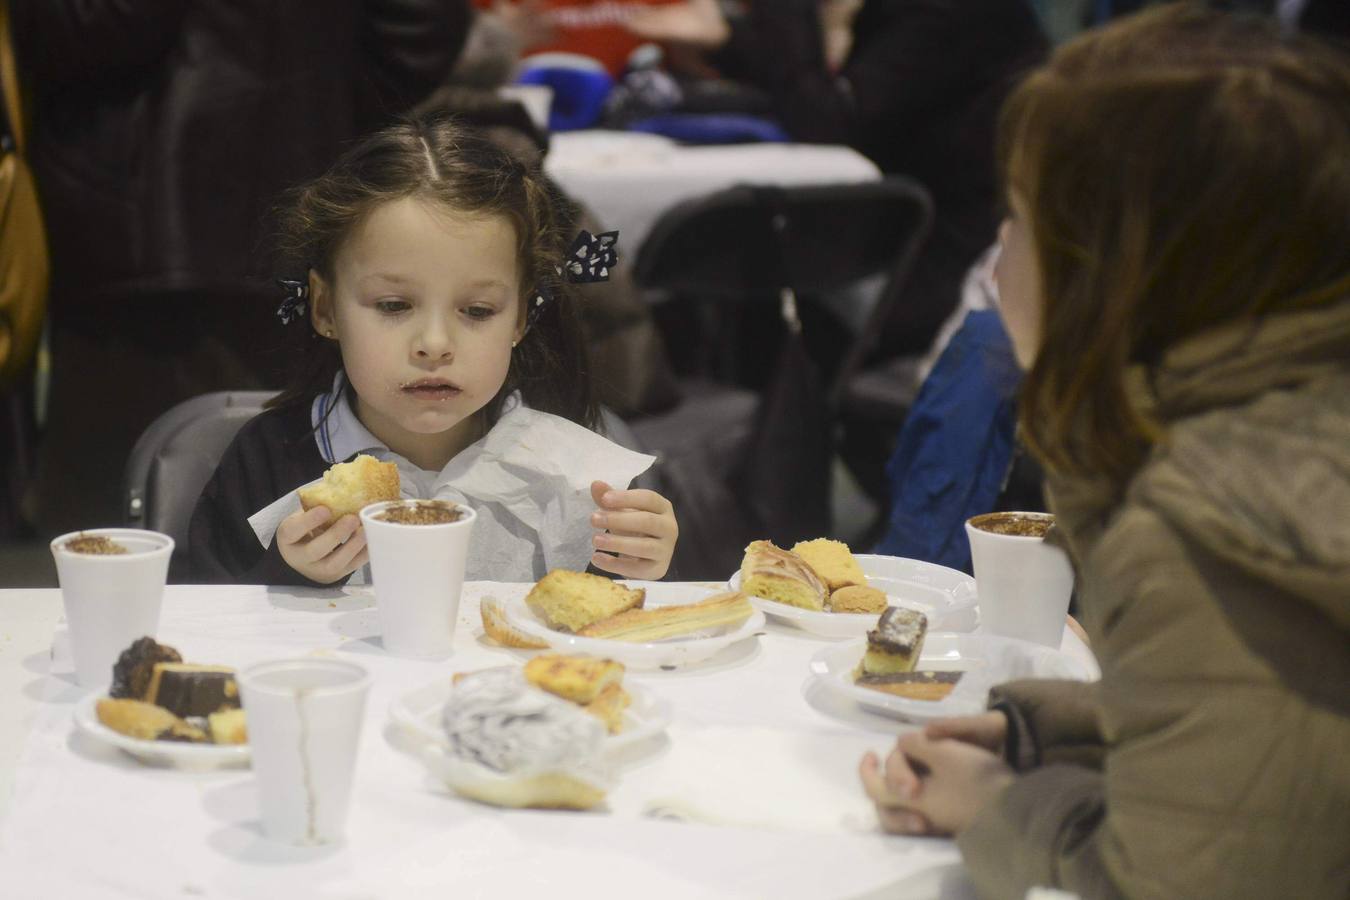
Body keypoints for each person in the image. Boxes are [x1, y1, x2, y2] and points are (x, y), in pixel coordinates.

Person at [857, 6, 1350, 898]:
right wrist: (1054, 731)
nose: (998, 253)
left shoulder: (1203, 525)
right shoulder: (1288, 423)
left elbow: (1171, 885)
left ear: (1116, 270)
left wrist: (997, 806)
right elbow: (1274, 742)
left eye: (1021, 219)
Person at [12, 0, 472, 537]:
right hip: (286, 194)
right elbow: (414, 43)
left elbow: (75, 31)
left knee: (124, 545)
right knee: (304, 531)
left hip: (136, 220)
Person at [188, 114, 679, 586]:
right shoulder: (268, 457)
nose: (435, 345)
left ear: (521, 318)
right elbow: (204, 630)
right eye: (395, 304)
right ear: (325, 308)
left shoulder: (569, 472)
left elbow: (615, 634)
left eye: (478, 311)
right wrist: (285, 573)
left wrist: (640, 565)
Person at [626, 0, 1048, 358]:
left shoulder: (949, 10)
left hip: (961, 263)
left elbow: (830, 124)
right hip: (915, 239)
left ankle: (778, 442)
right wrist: (733, 43)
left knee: (748, 305)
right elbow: (832, 102)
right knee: (728, 284)